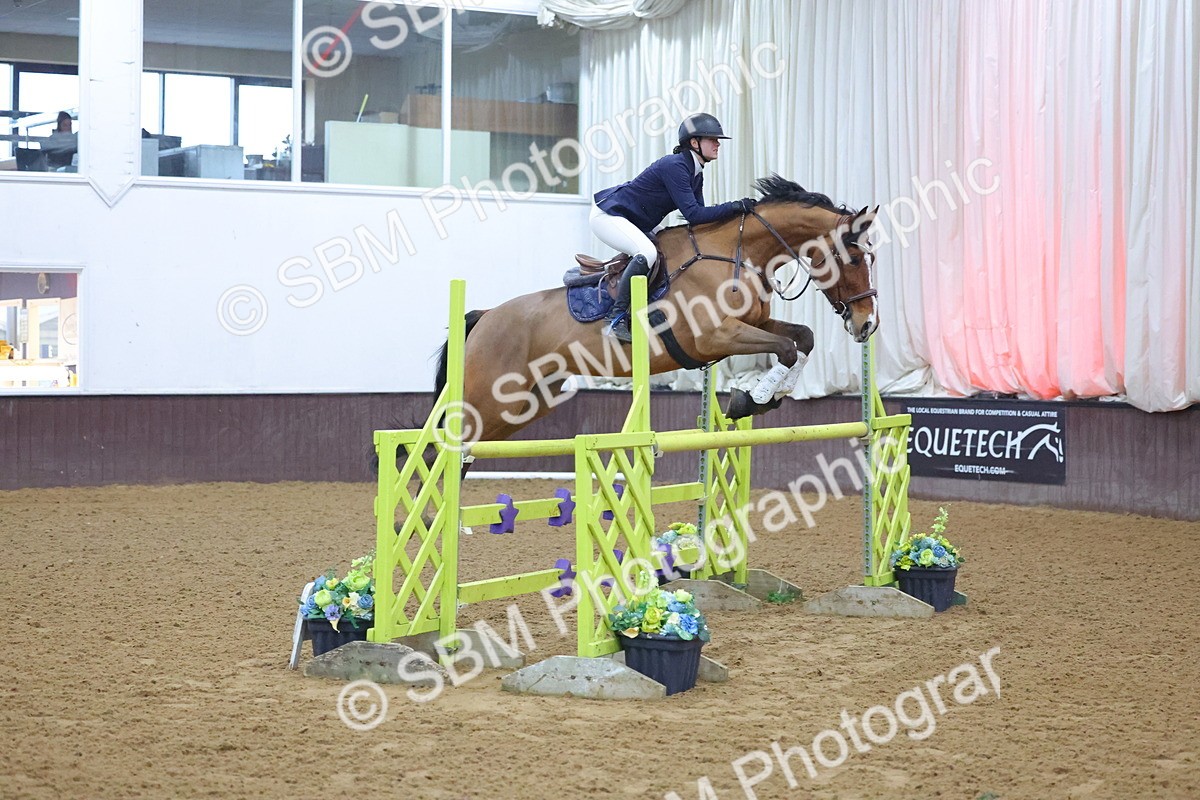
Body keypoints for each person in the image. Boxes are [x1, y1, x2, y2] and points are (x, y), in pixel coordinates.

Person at [590, 112, 754, 342]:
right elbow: (695, 215)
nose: (718, 144)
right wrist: (735, 206)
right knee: (646, 253)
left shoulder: (695, 173)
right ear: (694, 143)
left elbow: (699, 221)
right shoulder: (675, 166)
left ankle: (648, 305)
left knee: (669, 247)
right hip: (608, 215)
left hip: (636, 220)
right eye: (712, 139)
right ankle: (614, 319)